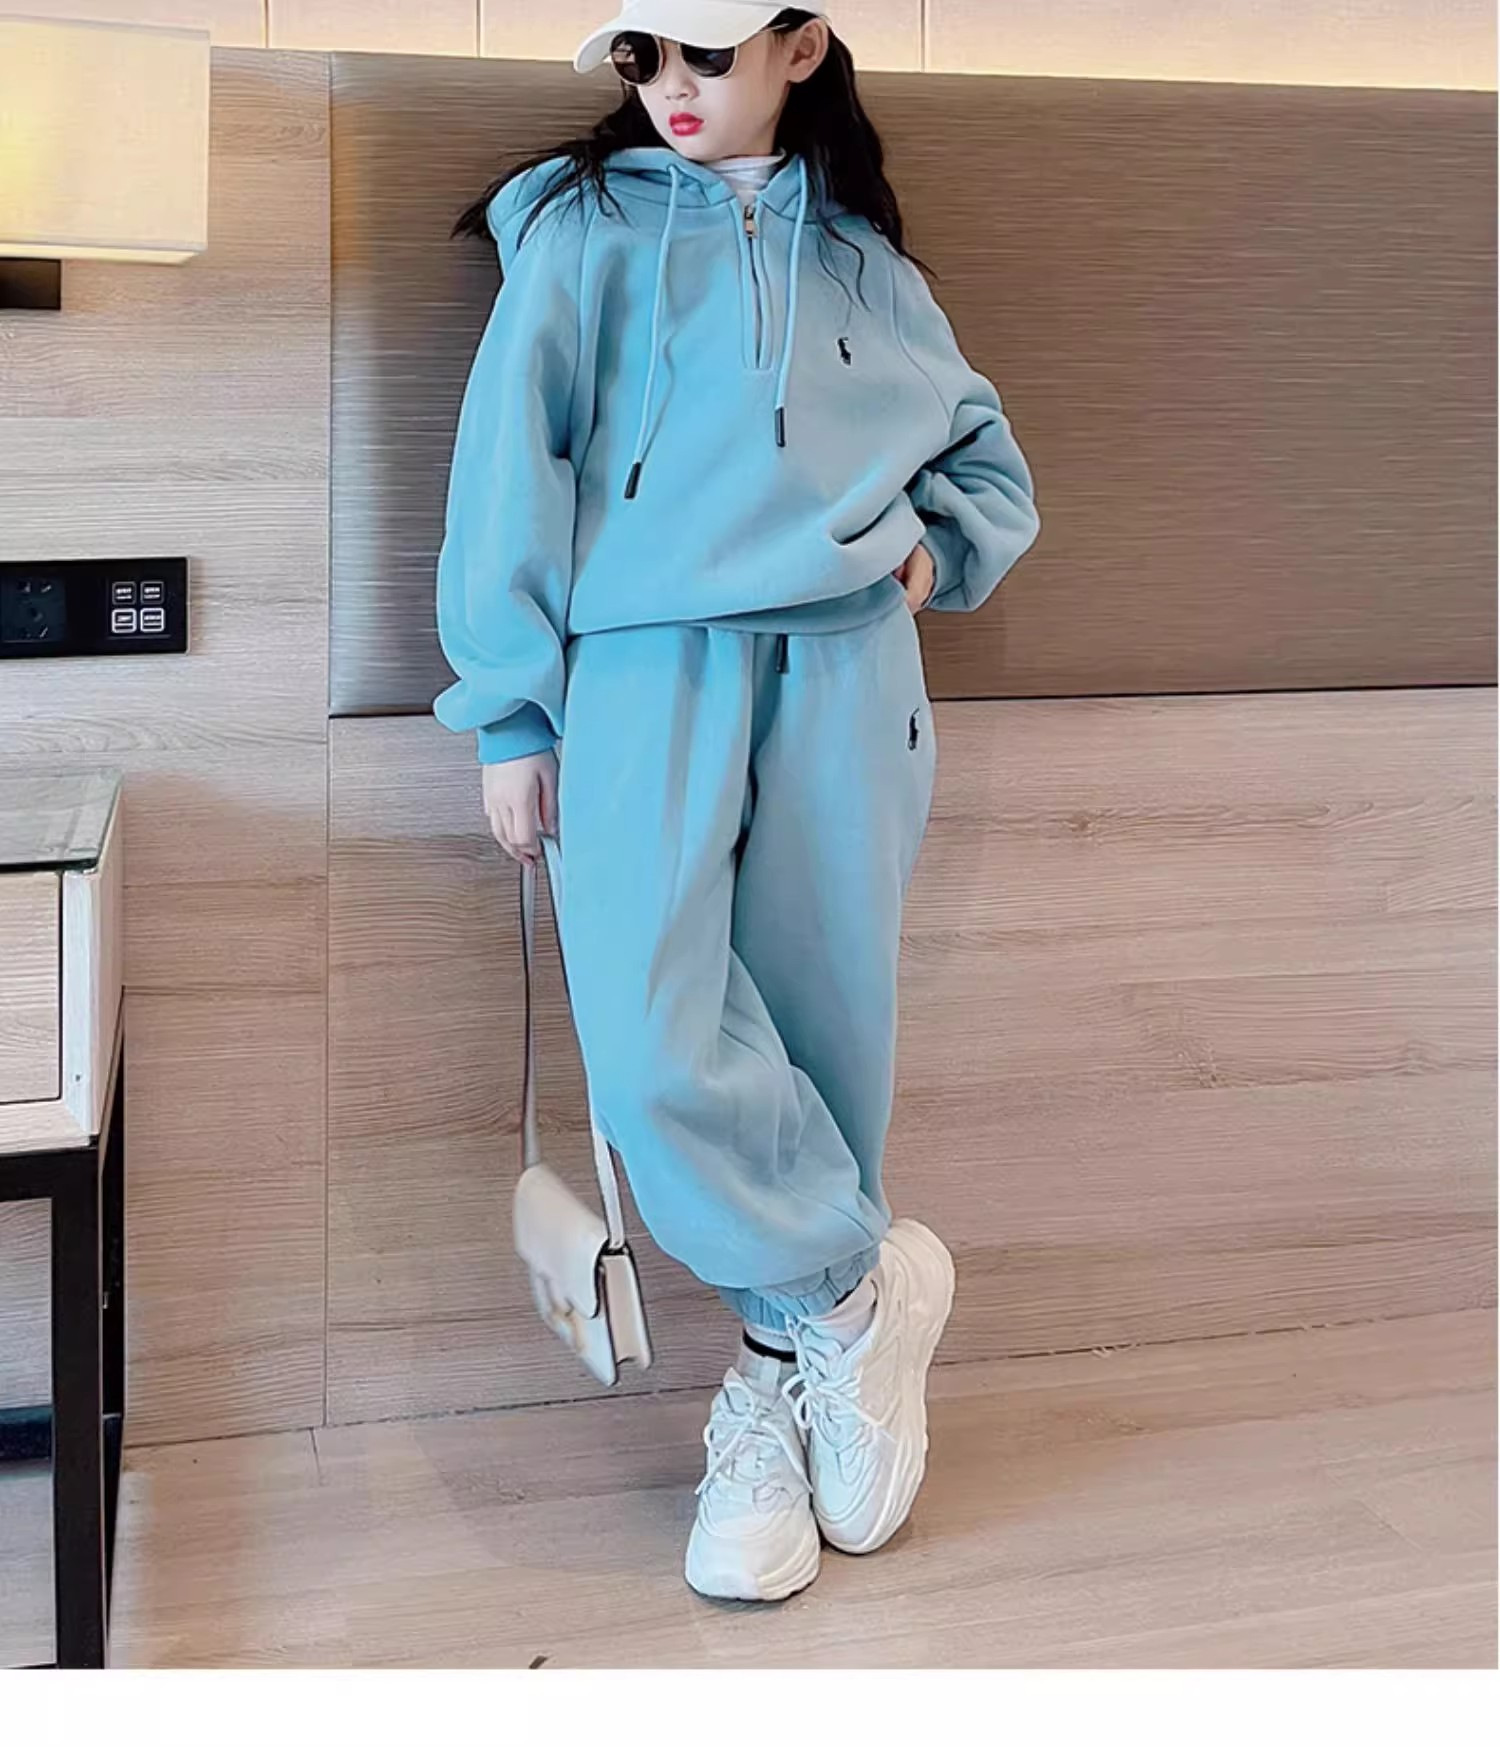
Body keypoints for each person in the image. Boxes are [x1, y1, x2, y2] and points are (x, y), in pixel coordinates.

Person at [434, 1, 1042, 1603]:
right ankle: (852, 1303)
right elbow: (507, 469)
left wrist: (930, 558)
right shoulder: (577, 231)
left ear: (801, 47)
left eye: (706, 53)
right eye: (645, 59)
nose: (674, 89)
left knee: (826, 1044)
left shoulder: (867, 264)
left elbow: (990, 473)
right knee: (653, 1048)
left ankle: (774, 1397)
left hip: (846, 670)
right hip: (642, 671)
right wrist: (510, 711)